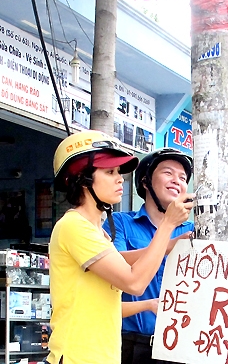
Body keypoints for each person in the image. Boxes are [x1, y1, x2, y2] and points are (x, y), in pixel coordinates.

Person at [47, 131, 194, 364]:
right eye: (110, 172)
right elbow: (134, 283)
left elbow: (117, 269)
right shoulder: (74, 226)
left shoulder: (98, 231)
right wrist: (168, 225)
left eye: (118, 172)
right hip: (79, 357)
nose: (120, 179)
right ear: (83, 179)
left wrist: (167, 246)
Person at [103, 147, 194, 364]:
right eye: (168, 173)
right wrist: (167, 245)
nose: (177, 181)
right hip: (131, 344)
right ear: (145, 182)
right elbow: (113, 264)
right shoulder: (120, 223)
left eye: (182, 178)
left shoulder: (195, 231)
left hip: (182, 345)